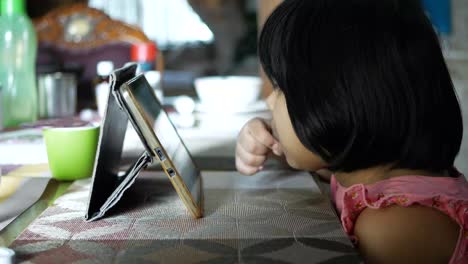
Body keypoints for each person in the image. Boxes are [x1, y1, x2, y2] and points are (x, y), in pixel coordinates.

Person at [235, 0, 468, 263]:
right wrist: (270, 144)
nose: (269, 102)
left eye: (282, 89)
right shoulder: (362, 173)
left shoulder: (394, 229)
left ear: (337, 104)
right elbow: (321, 166)